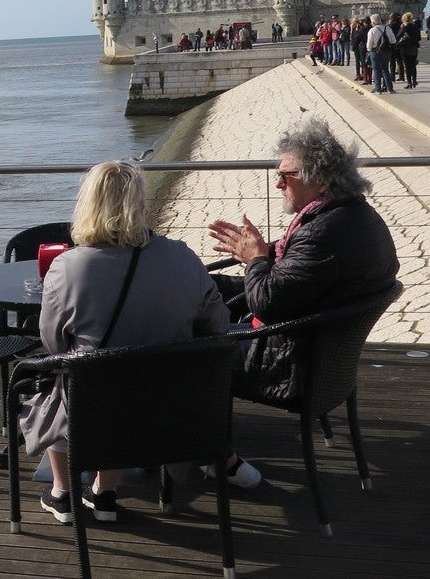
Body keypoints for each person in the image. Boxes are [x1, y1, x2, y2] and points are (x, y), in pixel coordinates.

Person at [21, 161, 230, 525]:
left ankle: (63, 493)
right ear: (141, 206)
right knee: (115, 380)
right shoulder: (180, 256)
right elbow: (218, 323)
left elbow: (54, 345)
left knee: (59, 384)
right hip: (172, 406)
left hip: (97, 408)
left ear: (88, 206)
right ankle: (104, 491)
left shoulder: (68, 267)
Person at [208, 119, 398, 433]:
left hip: (284, 364)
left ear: (321, 180)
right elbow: (298, 282)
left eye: (286, 175)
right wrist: (260, 257)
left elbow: (267, 303)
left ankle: (201, 449)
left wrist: (256, 258)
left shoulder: (323, 235)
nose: (278, 184)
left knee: (182, 343)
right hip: (314, 350)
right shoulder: (353, 215)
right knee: (206, 288)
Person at [366, 13, 395, 94]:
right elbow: (393, 41)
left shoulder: (372, 30)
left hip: (375, 51)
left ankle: (378, 89)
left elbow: (369, 44)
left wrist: (369, 50)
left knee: (376, 70)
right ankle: (390, 89)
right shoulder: (388, 28)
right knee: (386, 69)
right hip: (386, 51)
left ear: (373, 22)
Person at [396, 12, 420, 88]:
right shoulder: (415, 27)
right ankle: (414, 81)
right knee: (413, 65)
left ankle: (409, 83)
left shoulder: (405, 27)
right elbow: (418, 38)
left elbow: (398, 35)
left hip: (405, 48)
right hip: (414, 48)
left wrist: (401, 28)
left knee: (407, 66)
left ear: (404, 19)